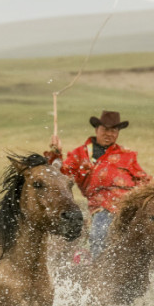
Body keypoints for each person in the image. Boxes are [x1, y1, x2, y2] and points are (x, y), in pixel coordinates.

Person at [45, 110, 151, 259]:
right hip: (102, 206)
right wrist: (55, 153)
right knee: (100, 234)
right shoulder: (80, 154)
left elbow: (143, 179)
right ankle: (99, 268)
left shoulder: (127, 154)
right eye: (105, 129)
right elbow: (63, 174)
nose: (109, 134)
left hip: (130, 205)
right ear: (97, 129)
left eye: (114, 131)